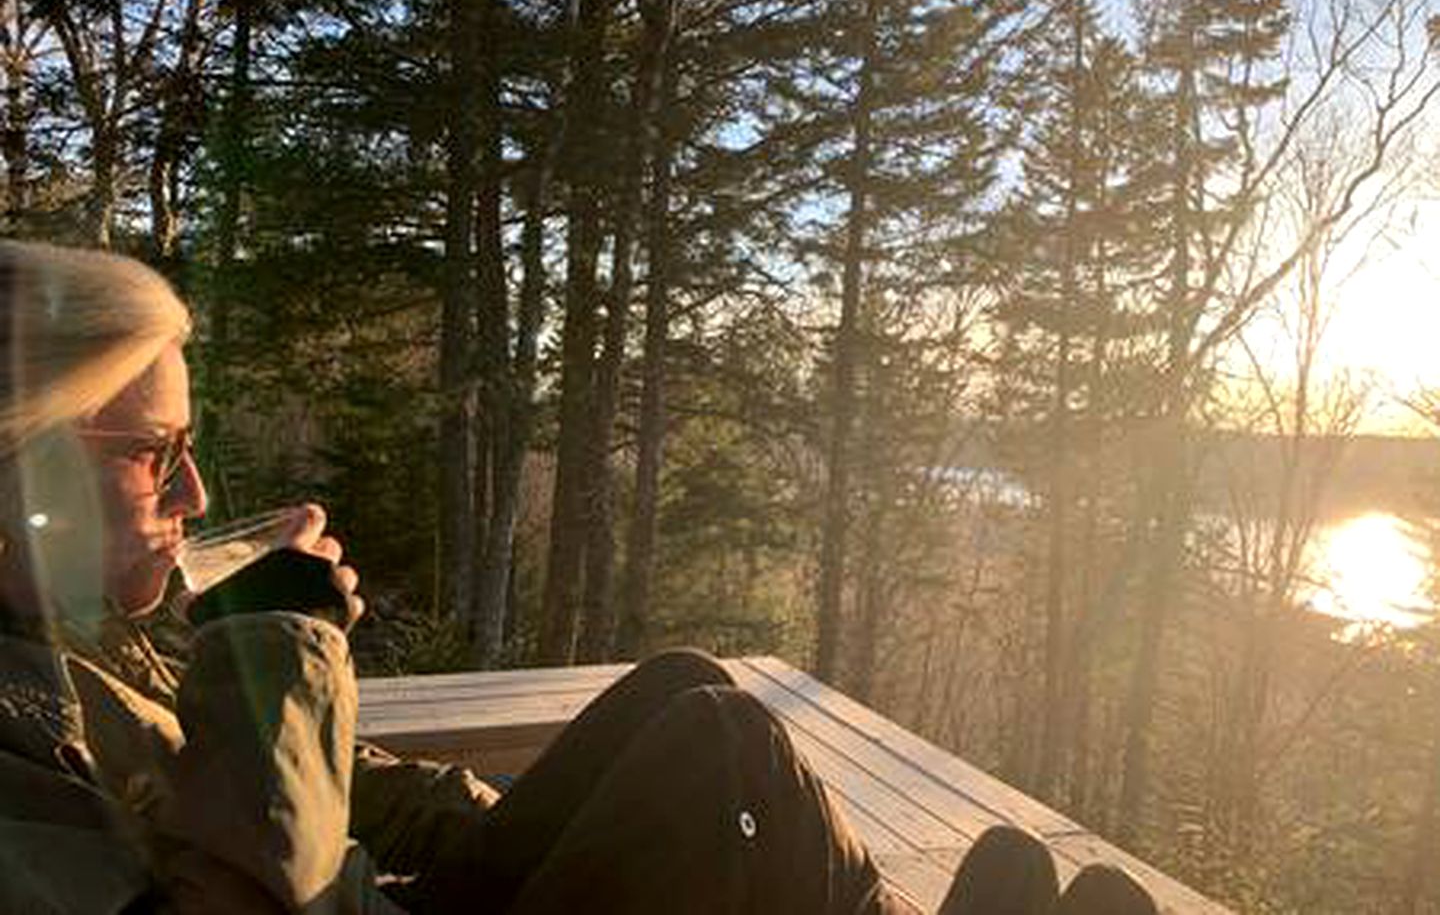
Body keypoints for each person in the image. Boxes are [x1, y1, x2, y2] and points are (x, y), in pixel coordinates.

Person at [0, 239, 1160, 915]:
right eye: (155, 455)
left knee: (681, 686)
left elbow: (331, 785)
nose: (197, 496)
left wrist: (530, 836)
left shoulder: (80, 633)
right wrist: (278, 650)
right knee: (719, 749)